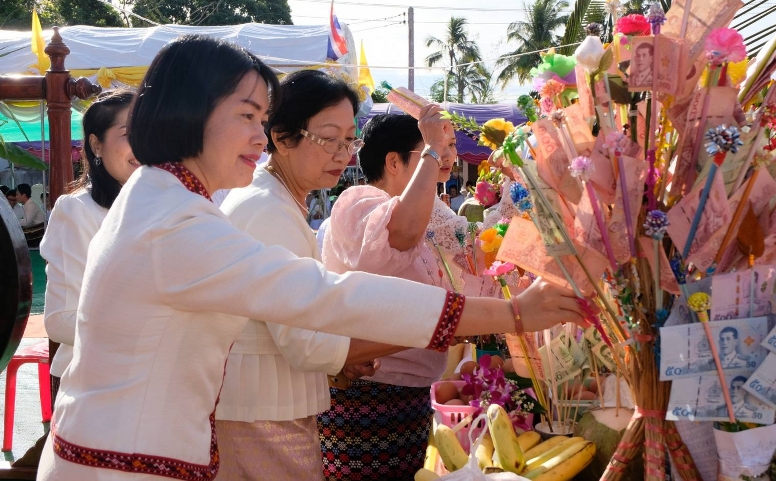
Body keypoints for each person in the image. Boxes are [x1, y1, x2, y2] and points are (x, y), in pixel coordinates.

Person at [37, 35, 586, 481]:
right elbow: (327, 297)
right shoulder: (175, 221)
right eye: (248, 117)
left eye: (263, 118)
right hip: (123, 464)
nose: (260, 137)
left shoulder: (162, 198)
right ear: (190, 112)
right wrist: (511, 315)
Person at [216, 69, 402, 481]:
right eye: (328, 138)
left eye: (349, 139)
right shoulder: (267, 208)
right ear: (282, 138)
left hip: (265, 408)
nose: (344, 153)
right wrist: (432, 328)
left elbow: (295, 322)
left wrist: (340, 361)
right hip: (259, 415)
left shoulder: (276, 200)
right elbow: (305, 344)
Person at [320, 111, 510, 479]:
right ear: (394, 162)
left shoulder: (429, 211)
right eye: (433, 150)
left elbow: (474, 247)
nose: (446, 158)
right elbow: (401, 234)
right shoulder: (359, 201)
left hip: (413, 396)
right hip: (368, 396)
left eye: (449, 147)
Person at [40, 89, 137, 409]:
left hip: (153, 386)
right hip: (97, 390)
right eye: (127, 133)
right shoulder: (77, 211)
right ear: (96, 144)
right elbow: (60, 320)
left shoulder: (158, 206)